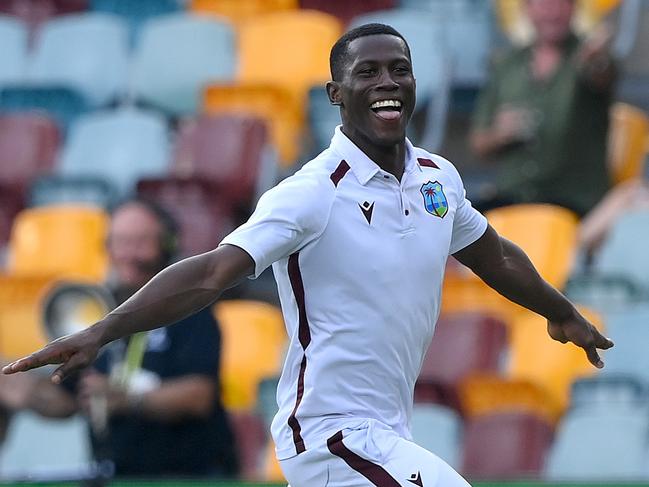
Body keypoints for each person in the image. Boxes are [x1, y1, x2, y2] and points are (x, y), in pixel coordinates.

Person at [3, 24, 613, 487]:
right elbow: (214, 270)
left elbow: (494, 256)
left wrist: (559, 311)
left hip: (383, 430)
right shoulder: (311, 192)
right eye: (368, 73)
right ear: (335, 93)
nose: (387, 83)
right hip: (329, 434)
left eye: (399, 69)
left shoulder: (438, 177)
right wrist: (106, 329)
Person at [0, 199, 238, 478]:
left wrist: (127, 399)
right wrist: (25, 391)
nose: (128, 254)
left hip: (189, 475)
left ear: (168, 245)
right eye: (121, 242)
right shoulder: (94, 311)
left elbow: (198, 397)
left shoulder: (191, 309)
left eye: (140, 242)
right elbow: (69, 401)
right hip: (117, 475)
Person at [470, 0, 616, 216]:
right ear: (526, 9)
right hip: (513, 198)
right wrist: (500, 135)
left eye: (561, 3)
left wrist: (598, 59)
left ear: (574, 8)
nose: (552, 10)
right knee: (454, 232)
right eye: (543, 3)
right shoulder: (507, 65)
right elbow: (478, 145)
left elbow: (602, 74)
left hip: (573, 204)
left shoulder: (587, 57)